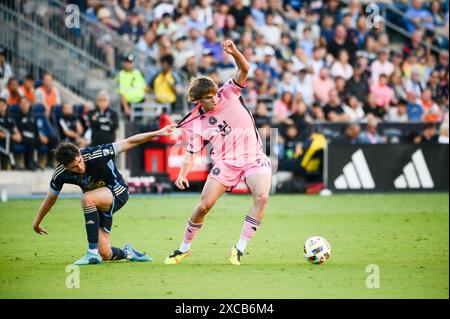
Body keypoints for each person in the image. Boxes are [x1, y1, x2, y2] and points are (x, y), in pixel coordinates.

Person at [164, 40, 272, 266]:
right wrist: (183, 174)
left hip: (254, 157)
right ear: (198, 100)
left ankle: (239, 249)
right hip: (225, 162)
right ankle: (183, 249)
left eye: (214, 94)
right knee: (204, 206)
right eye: (208, 97)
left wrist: (235, 52)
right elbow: (192, 152)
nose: (214, 98)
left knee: (261, 197)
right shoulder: (196, 122)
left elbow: (245, 69)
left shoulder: (229, 92)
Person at [32, 123, 176, 265]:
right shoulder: (60, 174)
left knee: (87, 198)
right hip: (98, 202)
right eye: (74, 167)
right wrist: (37, 222)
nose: (80, 167)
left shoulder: (97, 153)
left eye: (80, 161)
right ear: (65, 167)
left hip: (118, 191)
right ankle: (128, 252)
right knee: (106, 253)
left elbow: (129, 141)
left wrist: (158, 133)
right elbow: (51, 199)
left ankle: (91, 254)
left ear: (79, 152)